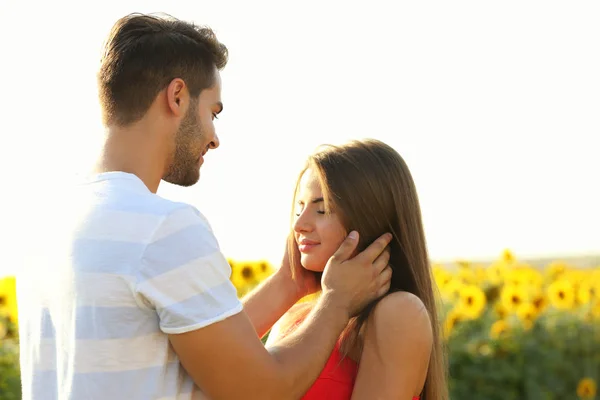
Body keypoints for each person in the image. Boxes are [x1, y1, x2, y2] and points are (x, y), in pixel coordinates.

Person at [16, 13, 393, 400]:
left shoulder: (48, 228)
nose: (214, 139)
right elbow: (262, 390)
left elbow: (194, 349)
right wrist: (336, 302)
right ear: (177, 96)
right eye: (212, 113)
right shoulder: (162, 228)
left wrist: (288, 285)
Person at [266, 139, 449, 400]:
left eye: (322, 209)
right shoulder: (295, 315)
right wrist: (286, 283)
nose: (300, 225)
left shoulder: (397, 312)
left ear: (370, 218)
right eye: (299, 210)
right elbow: (206, 366)